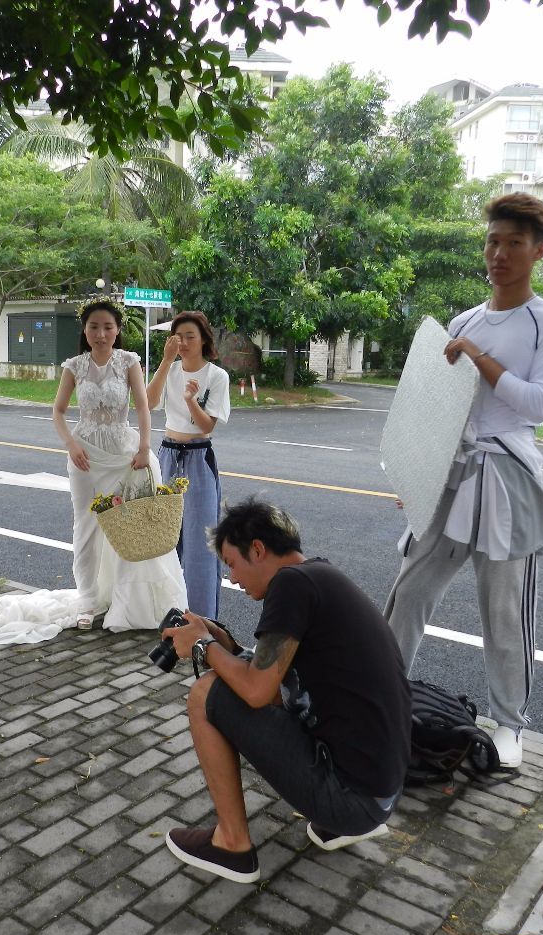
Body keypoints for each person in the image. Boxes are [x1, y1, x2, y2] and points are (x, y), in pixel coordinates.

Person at [383, 192, 543, 769]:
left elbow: (539, 405)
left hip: (509, 479)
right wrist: (416, 472)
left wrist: (480, 360)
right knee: (409, 592)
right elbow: (433, 408)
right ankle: (384, 697)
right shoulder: (462, 321)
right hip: (450, 474)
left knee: (504, 608)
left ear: (538, 251)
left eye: (515, 243)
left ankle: (510, 723)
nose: (500, 253)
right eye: (494, 241)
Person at [160, 499, 411, 884]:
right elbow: (278, 678)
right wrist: (222, 641)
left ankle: (231, 845)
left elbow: (258, 692)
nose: (232, 579)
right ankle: (334, 824)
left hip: (350, 800)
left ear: (258, 549)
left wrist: (202, 647)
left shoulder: (290, 585)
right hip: (380, 795)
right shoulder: (319, 576)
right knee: (232, 683)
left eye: (232, 564)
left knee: (205, 694)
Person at [52, 295, 187, 631]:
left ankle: (129, 600)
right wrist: (70, 444)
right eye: (94, 327)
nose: (100, 334)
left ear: (117, 330)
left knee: (133, 524)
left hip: (124, 453)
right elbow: (57, 411)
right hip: (84, 455)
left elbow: (143, 407)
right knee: (85, 525)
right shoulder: (74, 366)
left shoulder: (129, 361)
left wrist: (144, 447)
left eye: (107, 327)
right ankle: (88, 599)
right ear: (84, 330)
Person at [146, 311, 232, 619]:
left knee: (200, 542)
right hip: (169, 453)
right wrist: (166, 361)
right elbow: (148, 402)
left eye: (189, 336)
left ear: (204, 339)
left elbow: (207, 426)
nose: (182, 342)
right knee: (166, 537)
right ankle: (165, 611)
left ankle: (201, 618)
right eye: (177, 336)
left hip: (198, 457)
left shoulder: (216, 376)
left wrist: (191, 399)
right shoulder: (171, 368)